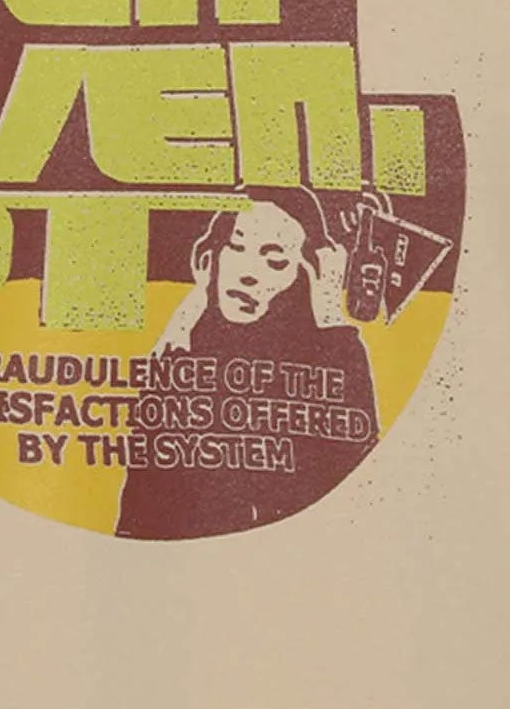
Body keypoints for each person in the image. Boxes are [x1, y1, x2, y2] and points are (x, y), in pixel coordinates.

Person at [113, 191, 382, 541]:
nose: (248, 274)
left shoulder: (323, 361)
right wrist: (188, 312)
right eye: (237, 248)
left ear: (307, 273)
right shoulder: (178, 354)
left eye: (275, 261)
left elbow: (360, 471)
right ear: (212, 257)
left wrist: (330, 311)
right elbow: (140, 512)